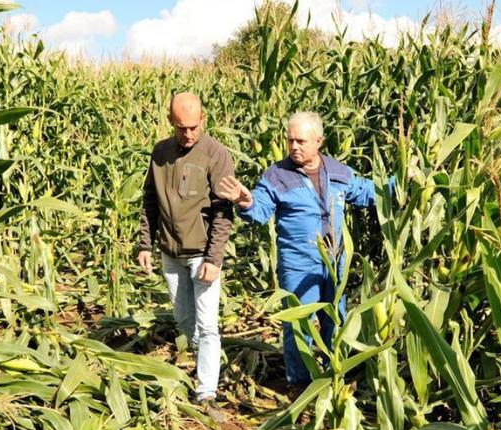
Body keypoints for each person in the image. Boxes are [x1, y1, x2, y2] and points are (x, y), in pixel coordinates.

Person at [215, 111, 380, 388]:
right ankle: (300, 384)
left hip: (335, 261)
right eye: (290, 140)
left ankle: (334, 376)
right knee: (298, 325)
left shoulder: (338, 172)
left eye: (301, 141)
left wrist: (402, 187)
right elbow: (260, 210)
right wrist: (245, 202)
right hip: (299, 264)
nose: (294, 147)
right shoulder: (277, 176)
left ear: (319, 141)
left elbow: (366, 192)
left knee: (335, 319)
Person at [137, 92, 235, 411]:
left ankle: (206, 391)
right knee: (184, 318)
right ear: (170, 122)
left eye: (194, 126)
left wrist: (214, 258)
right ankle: (208, 355)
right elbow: (150, 201)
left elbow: (223, 210)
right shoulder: (160, 153)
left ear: (203, 119)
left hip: (201, 255)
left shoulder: (215, 154)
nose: (189, 134)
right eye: (181, 128)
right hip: (170, 253)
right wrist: (145, 244)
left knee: (208, 324)